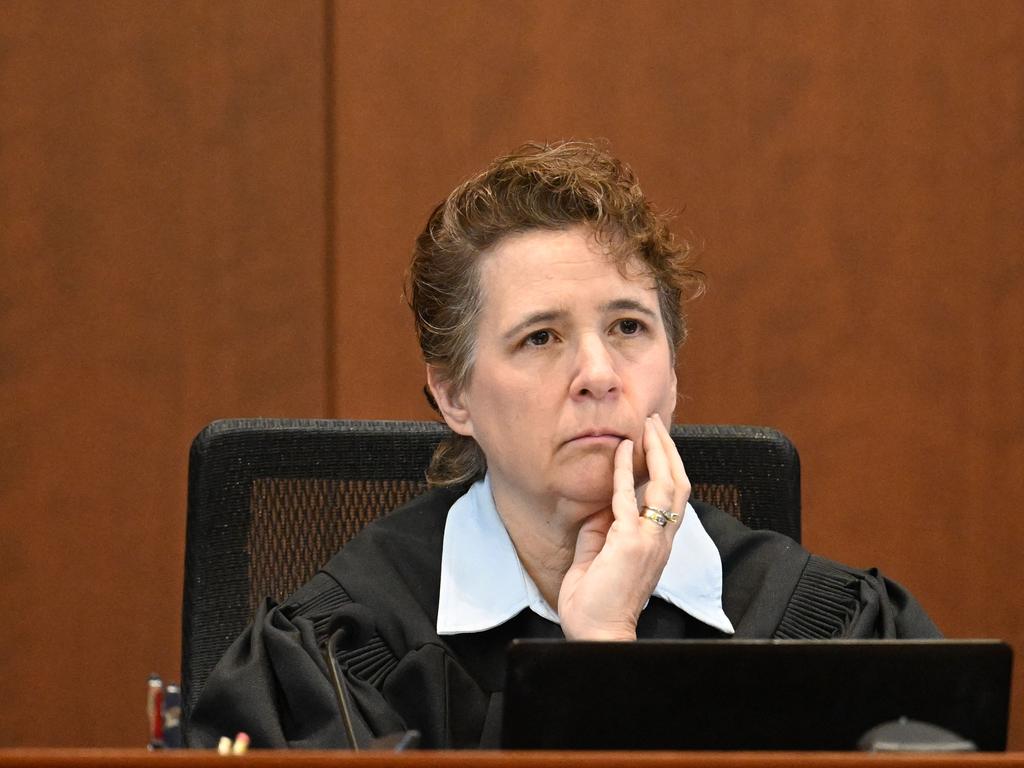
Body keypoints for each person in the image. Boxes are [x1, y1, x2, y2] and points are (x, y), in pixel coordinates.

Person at [186, 141, 940, 749]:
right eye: (541, 337)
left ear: (671, 371)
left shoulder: (833, 629)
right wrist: (597, 657)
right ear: (454, 395)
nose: (599, 375)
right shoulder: (336, 653)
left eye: (628, 328)